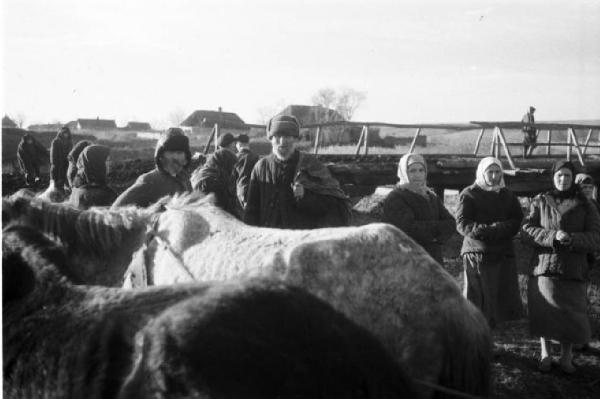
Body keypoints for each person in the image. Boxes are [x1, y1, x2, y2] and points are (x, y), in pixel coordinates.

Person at [521, 160, 600, 373]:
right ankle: (546, 353)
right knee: (544, 310)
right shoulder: (540, 201)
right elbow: (526, 230)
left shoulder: (586, 205)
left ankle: (566, 357)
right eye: (559, 176)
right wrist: (552, 236)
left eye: (567, 176)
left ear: (572, 178)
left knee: (571, 314)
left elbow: (595, 237)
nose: (563, 180)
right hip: (544, 266)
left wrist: (572, 239)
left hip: (573, 268)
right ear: (553, 177)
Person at [244, 115, 351, 229]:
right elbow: (251, 209)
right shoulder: (261, 167)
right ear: (271, 139)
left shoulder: (311, 164)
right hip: (270, 239)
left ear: (295, 138)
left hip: (301, 238)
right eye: (278, 136)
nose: (282, 142)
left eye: (287, 136)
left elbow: (331, 204)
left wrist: (305, 196)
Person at [455, 156, 524, 328]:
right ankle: (473, 339)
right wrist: (488, 230)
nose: (494, 176)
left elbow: (517, 219)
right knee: (478, 299)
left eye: (497, 172)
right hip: (478, 253)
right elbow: (462, 223)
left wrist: (501, 228)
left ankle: (491, 338)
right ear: (482, 173)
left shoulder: (507, 195)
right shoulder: (469, 193)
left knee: (498, 301)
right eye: (490, 172)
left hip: (502, 253)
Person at [382, 153, 455, 265]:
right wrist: (436, 233)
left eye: (421, 170)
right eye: (412, 171)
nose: (418, 175)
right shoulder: (396, 197)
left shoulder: (431, 195)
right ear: (403, 172)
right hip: (407, 260)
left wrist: (432, 235)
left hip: (433, 258)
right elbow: (408, 229)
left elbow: (450, 224)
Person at [112, 128, 192, 208]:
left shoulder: (185, 180)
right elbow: (116, 209)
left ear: (186, 157)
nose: (175, 157)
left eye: (179, 153)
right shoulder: (150, 180)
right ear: (161, 156)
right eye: (170, 153)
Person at [190, 133, 239, 215]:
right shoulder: (214, 182)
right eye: (232, 166)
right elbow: (223, 209)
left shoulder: (205, 170)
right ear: (226, 164)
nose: (232, 170)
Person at [68, 145, 116, 209]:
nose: (110, 164)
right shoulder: (102, 194)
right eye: (107, 160)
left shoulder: (78, 188)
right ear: (97, 163)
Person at [232, 134, 259, 215]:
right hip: (254, 190)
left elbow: (233, 177)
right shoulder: (256, 157)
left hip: (240, 191)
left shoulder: (235, 157)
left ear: (239, 144)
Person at [50, 126, 73, 191]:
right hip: (58, 164)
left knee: (66, 181)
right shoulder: (56, 141)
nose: (66, 135)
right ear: (61, 133)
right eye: (64, 133)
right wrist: (54, 164)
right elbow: (53, 154)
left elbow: (71, 152)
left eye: (67, 133)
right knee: (56, 183)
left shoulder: (70, 142)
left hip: (67, 164)